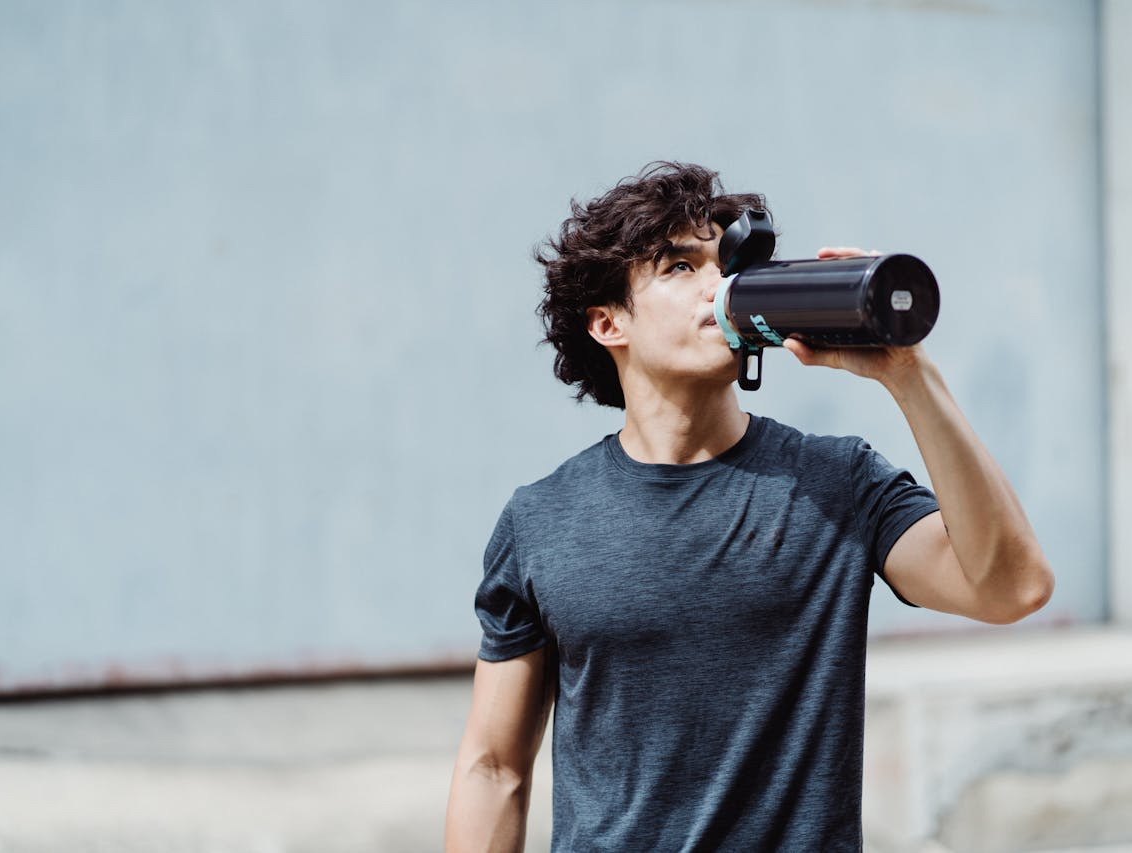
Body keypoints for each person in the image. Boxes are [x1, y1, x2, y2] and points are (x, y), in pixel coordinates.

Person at [445, 162, 1054, 851]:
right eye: (679, 266)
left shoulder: (837, 483)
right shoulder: (541, 520)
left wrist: (911, 376)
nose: (719, 284)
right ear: (608, 321)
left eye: (726, 261)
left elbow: (1013, 586)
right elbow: (493, 768)